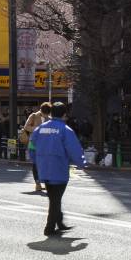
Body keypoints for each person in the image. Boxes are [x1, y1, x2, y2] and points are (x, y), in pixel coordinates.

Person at [31, 102, 86, 238]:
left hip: (44, 168)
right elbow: (74, 149)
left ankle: (59, 222)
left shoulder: (40, 128)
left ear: (50, 113)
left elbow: (32, 146)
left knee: (54, 197)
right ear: (64, 114)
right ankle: (49, 227)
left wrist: (36, 160)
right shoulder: (65, 130)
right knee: (55, 199)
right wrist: (82, 163)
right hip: (59, 169)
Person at [21, 102, 49, 193]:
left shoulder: (49, 118)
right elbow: (26, 127)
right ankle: (38, 184)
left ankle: (44, 182)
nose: (46, 115)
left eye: (47, 114)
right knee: (36, 164)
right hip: (34, 143)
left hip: (45, 144)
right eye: (45, 114)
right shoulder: (33, 116)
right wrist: (38, 128)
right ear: (41, 110)